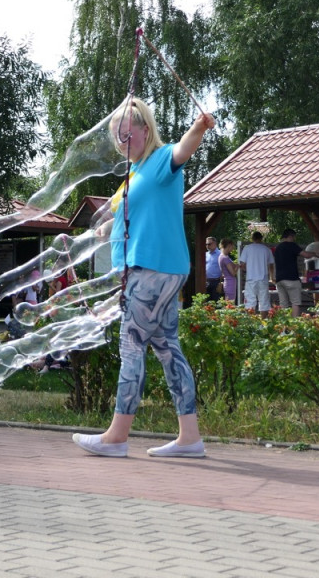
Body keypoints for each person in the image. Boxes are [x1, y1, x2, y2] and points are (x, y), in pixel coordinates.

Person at [71, 97, 214, 460]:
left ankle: (116, 436)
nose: (121, 141)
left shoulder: (161, 159)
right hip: (162, 269)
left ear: (144, 130)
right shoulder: (133, 175)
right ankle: (189, 438)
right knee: (168, 349)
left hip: (151, 269)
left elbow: (184, 150)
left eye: (126, 133)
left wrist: (198, 127)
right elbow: (123, 214)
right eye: (116, 136)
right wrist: (104, 229)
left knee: (131, 344)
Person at [274, 229, 319, 317]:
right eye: (294, 237)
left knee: (283, 304)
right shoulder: (292, 245)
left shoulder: (278, 248)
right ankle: (294, 325)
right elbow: (305, 255)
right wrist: (314, 253)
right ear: (291, 236)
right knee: (295, 303)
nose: (294, 239)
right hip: (291, 279)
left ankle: (283, 327)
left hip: (279, 280)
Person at [239, 232, 275, 317]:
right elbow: (271, 265)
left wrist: (248, 270)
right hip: (263, 278)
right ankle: (264, 323)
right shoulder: (266, 249)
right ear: (261, 238)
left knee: (250, 301)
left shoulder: (247, 248)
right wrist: (272, 277)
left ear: (252, 238)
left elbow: (242, 264)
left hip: (251, 278)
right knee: (264, 302)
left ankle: (251, 323)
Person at [218, 238, 239, 304]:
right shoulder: (225, 258)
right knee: (230, 303)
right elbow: (233, 273)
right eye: (232, 246)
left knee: (228, 303)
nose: (232, 249)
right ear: (229, 245)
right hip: (230, 283)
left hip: (227, 282)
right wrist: (237, 267)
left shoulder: (222, 256)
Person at [204, 236, 223, 300]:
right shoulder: (205, 254)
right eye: (206, 244)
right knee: (207, 302)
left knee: (216, 301)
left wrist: (221, 281)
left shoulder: (220, 254)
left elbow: (224, 267)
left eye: (209, 244)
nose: (207, 246)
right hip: (207, 281)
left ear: (215, 243)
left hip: (217, 281)